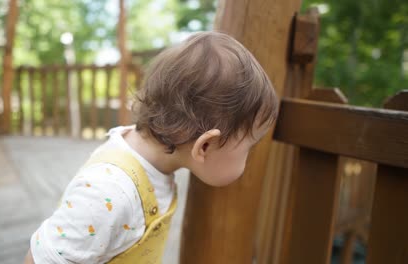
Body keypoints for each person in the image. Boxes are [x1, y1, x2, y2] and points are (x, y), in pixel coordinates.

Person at [24, 31, 278, 264]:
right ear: (205, 146)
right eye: (249, 148)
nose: (251, 157)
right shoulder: (109, 191)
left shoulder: (150, 166)